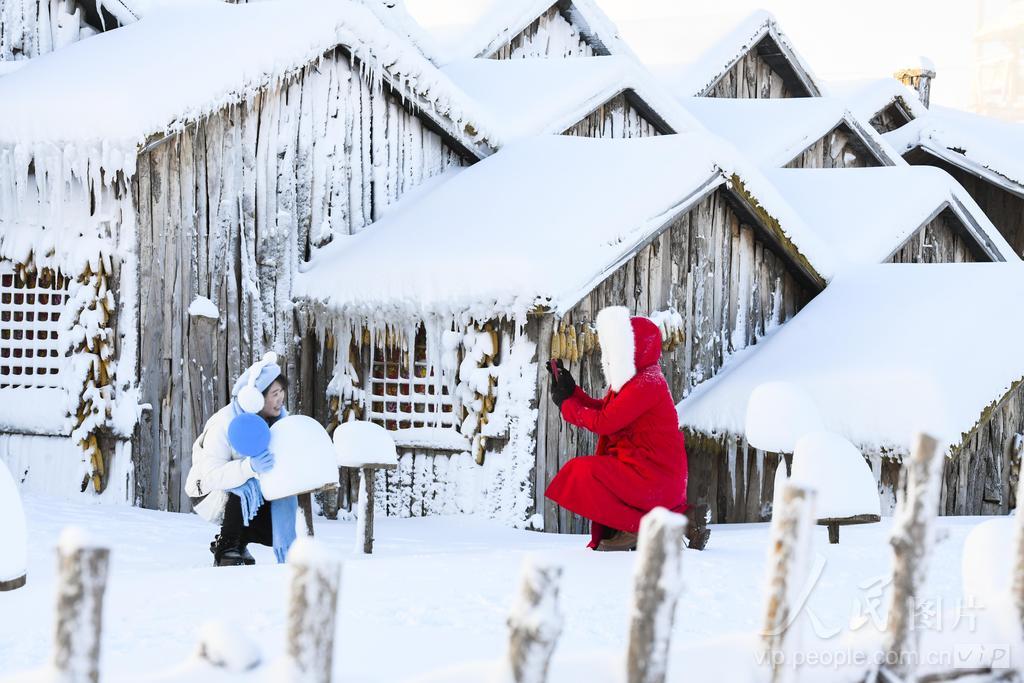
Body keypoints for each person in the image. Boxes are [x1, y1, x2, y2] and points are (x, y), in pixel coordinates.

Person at [544, 306, 710, 551]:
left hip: (653, 476)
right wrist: (573, 393)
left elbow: (605, 422)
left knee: (582, 473)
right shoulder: (639, 379)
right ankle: (679, 521)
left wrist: (568, 405)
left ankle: (638, 528)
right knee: (587, 472)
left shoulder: (647, 383)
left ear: (634, 348)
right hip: (647, 472)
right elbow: (607, 409)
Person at [185, 352, 291, 566]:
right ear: (256, 397)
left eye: (282, 392)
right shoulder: (225, 423)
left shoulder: (274, 420)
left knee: (275, 527)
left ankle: (240, 539)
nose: (280, 399)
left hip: (243, 490)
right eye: (274, 394)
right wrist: (249, 467)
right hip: (207, 492)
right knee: (247, 481)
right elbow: (212, 475)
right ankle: (227, 545)